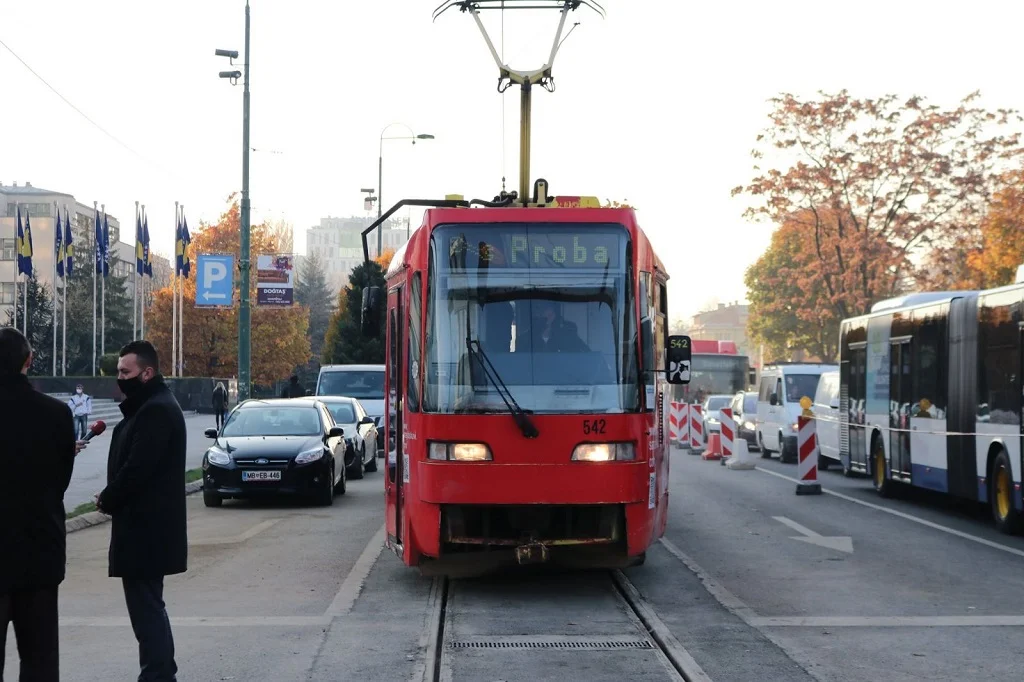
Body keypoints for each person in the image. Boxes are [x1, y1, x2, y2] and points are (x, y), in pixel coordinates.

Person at [96, 340, 187, 682]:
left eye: (125, 372)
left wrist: (108, 497)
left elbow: (137, 470)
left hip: (147, 532)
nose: (119, 378)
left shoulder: (156, 410)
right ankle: (160, 673)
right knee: (149, 609)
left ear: (147, 373)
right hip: (144, 529)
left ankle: (158, 675)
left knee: (147, 611)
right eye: (118, 371)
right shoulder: (149, 406)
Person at [0, 327, 78, 681]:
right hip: (39, 552)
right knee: (40, 660)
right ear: (28, 361)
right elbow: (59, 481)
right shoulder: (56, 414)